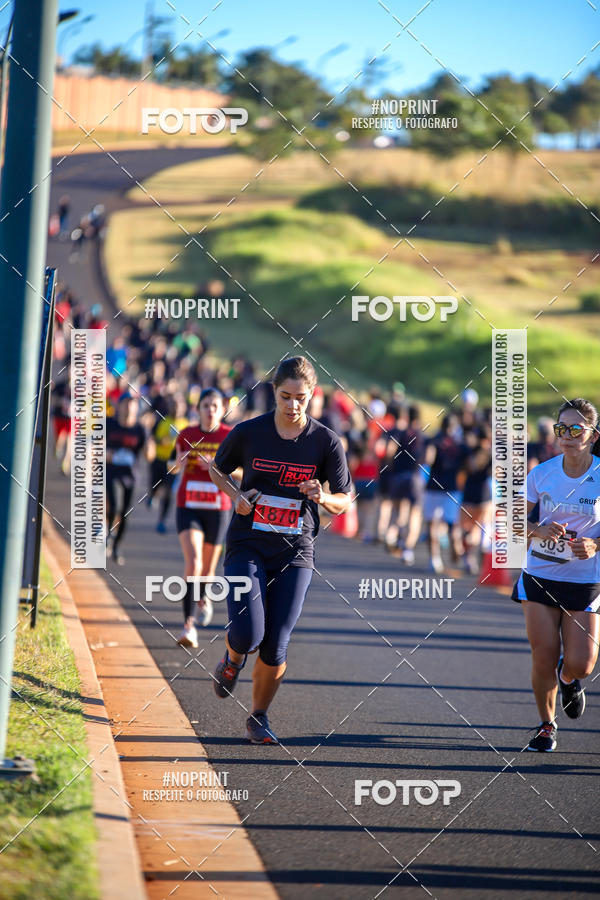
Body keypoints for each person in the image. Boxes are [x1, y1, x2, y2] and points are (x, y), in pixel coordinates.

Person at [208, 356, 352, 744]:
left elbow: (345, 499)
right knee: (248, 633)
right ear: (274, 392)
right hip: (248, 543)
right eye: (286, 396)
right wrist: (236, 496)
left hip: (296, 549)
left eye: (301, 398)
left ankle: (258, 716)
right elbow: (217, 468)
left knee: (276, 642)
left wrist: (323, 497)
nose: (293, 405)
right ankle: (233, 658)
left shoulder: (325, 441)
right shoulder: (249, 432)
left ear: (313, 395)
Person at [512, 398, 600, 752]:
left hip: (585, 580)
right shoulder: (542, 473)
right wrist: (538, 530)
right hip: (540, 575)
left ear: (593, 436)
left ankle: (568, 677)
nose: (567, 435)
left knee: (583, 663)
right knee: (543, 654)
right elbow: (513, 522)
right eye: (561, 428)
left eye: (576, 429)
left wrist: (594, 544)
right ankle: (546, 726)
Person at [174, 389, 232, 648]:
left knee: (208, 570)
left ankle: (203, 596)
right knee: (194, 563)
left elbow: (243, 472)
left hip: (218, 508)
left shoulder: (230, 436)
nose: (210, 410)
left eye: (215, 406)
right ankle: (189, 626)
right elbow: (172, 467)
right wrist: (178, 464)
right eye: (206, 405)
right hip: (189, 505)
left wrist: (217, 468)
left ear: (223, 410)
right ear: (198, 409)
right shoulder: (186, 434)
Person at [106, 394, 147, 565]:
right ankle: (108, 534)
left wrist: (150, 441)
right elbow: (94, 445)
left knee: (124, 512)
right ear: (120, 406)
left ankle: (116, 546)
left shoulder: (140, 429)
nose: (130, 407)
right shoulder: (109, 424)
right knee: (115, 505)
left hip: (130, 476)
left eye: (133, 404)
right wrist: (106, 454)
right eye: (126, 404)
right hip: (111, 472)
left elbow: (148, 455)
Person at [147, 394, 188, 534]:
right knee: (155, 484)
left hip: (173, 462)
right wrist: (160, 441)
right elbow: (152, 437)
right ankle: (152, 495)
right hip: (159, 459)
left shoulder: (186, 424)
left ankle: (162, 520)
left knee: (168, 491)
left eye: (179, 405)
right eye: (174, 405)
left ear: (184, 407)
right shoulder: (162, 420)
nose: (176, 408)